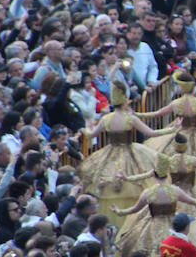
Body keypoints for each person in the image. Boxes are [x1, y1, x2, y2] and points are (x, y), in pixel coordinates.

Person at [76, 81, 177, 226]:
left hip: (109, 155)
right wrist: (172, 129)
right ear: (124, 100)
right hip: (132, 153)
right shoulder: (130, 118)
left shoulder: (106, 119)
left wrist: (83, 130)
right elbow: (151, 133)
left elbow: (91, 135)